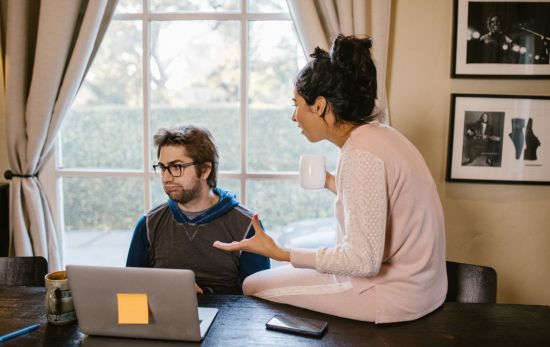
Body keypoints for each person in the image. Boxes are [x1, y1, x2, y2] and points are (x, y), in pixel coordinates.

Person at [213, 34, 447, 323]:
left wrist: (281, 252)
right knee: (274, 277)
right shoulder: (380, 136)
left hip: (396, 294)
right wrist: (330, 181)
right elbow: (380, 202)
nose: (294, 117)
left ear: (320, 105)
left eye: (296, 104)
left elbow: (363, 261)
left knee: (252, 285)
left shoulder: (360, 154)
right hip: (423, 287)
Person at [126, 125, 270, 294]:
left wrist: (205, 298)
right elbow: (131, 293)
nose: (166, 177)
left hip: (225, 320)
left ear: (205, 169)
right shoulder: (148, 225)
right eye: (163, 168)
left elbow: (259, 304)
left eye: (176, 167)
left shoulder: (247, 226)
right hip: (166, 319)